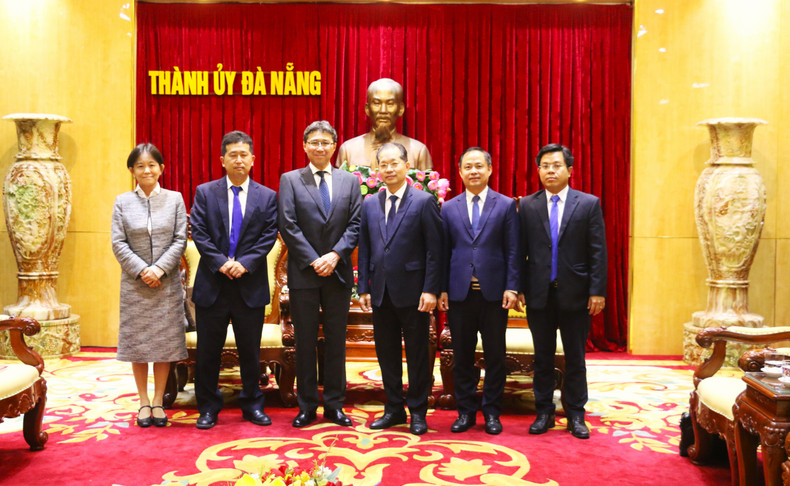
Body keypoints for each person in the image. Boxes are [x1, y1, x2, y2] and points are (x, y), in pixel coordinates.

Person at [189, 130, 279, 429]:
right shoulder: (205, 192)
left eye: (244, 155)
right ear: (222, 160)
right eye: (233, 155)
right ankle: (208, 407)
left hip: (248, 285)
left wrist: (244, 264)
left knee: (250, 352)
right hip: (213, 284)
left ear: (252, 160)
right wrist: (222, 263)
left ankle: (252, 404)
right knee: (208, 353)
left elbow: (267, 237)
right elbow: (199, 233)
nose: (238, 160)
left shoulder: (267, 196)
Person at [518, 143, 607, 440]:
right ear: (539, 171)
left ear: (569, 170)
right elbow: (519, 253)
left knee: (575, 357)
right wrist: (518, 288)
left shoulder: (588, 204)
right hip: (539, 294)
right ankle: (543, 412)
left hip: (576, 294)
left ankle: (576, 414)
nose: (550, 171)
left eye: (556, 165)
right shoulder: (528, 205)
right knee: (542, 357)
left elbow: (598, 252)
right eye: (545, 166)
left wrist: (597, 291)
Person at [278, 121, 362, 428]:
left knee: (337, 341)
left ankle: (335, 405)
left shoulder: (349, 181)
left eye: (326, 142)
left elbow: (355, 224)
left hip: (338, 272)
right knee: (305, 340)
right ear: (304, 146)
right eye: (314, 142)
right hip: (305, 272)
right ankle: (307, 405)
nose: (320, 147)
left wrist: (335, 255)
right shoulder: (290, 180)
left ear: (334, 146)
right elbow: (288, 225)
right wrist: (315, 259)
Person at [357, 142, 442, 435]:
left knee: (418, 353)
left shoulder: (423, 201)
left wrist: (431, 289)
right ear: (377, 170)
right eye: (384, 164)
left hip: (415, 293)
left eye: (395, 163)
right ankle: (393, 408)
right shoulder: (369, 203)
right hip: (380, 292)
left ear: (407, 166)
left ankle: (418, 410)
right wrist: (363, 287)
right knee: (386, 354)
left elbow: (435, 250)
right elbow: (366, 248)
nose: (389, 169)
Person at [438, 147, 519, 435]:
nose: (473, 171)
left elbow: (513, 250)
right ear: (459, 172)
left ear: (489, 170)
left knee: (495, 355)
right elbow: (442, 252)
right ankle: (465, 412)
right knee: (461, 356)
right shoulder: (448, 207)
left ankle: (493, 413)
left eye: (479, 166)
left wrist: (512, 286)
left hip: (495, 293)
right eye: (467, 167)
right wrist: (442, 289)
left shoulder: (506, 205)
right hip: (459, 294)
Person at [111, 143, 187, 428]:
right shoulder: (122, 202)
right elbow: (118, 243)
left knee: (164, 344)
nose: (147, 170)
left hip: (165, 285)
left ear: (161, 168)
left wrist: (159, 269)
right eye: (140, 166)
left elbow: (180, 239)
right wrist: (143, 270)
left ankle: (158, 401)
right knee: (138, 345)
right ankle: (143, 400)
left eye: (152, 165)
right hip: (135, 285)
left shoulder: (175, 199)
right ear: (132, 171)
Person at [336, 78, 432, 171]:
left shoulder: (418, 151)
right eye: (377, 103)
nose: (383, 111)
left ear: (401, 109)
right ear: (367, 109)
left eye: (390, 104)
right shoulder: (348, 150)